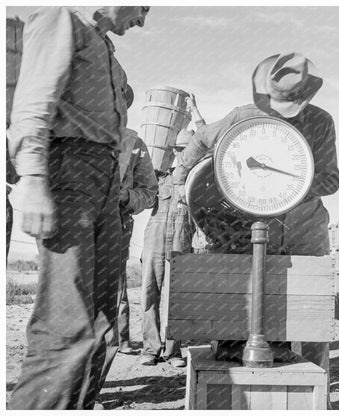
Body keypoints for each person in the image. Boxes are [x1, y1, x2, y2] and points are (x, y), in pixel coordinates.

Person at [172, 53, 339, 407]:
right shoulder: (241, 116)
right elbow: (200, 141)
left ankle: (316, 401)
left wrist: (293, 187)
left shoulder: (322, 122)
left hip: (301, 229)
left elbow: (331, 179)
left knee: (309, 311)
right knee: (236, 308)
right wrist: (181, 183)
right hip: (241, 230)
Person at [6, 6, 150, 410]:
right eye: (142, 7)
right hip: (70, 171)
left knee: (103, 322)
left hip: (104, 177)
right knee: (66, 321)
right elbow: (34, 100)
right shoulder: (60, 20)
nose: (142, 21)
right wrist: (33, 177)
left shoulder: (106, 50)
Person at [140, 95, 206, 367]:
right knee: (149, 293)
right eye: (179, 148)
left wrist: (194, 112)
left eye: (187, 148)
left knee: (176, 296)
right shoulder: (158, 173)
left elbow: (210, 140)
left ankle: (173, 350)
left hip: (181, 239)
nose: (183, 152)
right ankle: (150, 349)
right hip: (154, 239)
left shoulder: (196, 177)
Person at [117, 86, 158, 354]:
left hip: (115, 224)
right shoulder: (71, 133)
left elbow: (150, 194)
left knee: (114, 287)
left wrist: (126, 197)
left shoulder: (133, 144)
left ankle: (116, 341)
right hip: (72, 225)